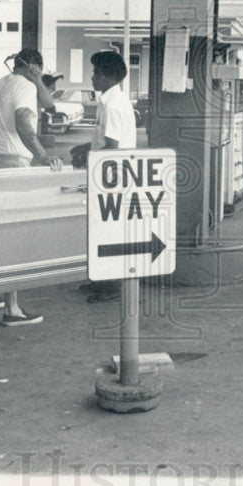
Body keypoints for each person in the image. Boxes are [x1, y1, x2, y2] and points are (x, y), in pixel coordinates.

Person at [0, 48, 63, 326]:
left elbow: (49, 105)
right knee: (15, 237)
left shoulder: (2, 83)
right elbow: (25, 124)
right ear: (35, 67)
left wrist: (37, 81)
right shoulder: (25, 86)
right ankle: (13, 309)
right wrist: (44, 156)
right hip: (15, 163)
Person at [72, 51, 137, 303]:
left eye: (97, 73)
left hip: (112, 176)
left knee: (108, 231)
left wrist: (89, 161)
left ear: (109, 76)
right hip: (110, 174)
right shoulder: (109, 101)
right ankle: (100, 280)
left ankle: (110, 286)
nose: (92, 77)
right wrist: (85, 150)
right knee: (102, 230)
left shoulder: (113, 105)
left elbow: (111, 148)